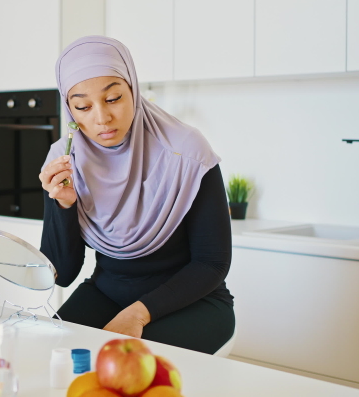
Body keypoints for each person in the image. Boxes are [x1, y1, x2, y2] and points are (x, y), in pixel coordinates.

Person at [38, 35, 235, 354]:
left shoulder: (186, 152)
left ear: (133, 88)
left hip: (193, 302)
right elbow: (62, 274)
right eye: (83, 107)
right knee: (52, 355)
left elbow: (211, 263)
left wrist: (138, 314)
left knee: (124, 367)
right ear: (70, 109)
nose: (102, 118)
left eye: (113, 98)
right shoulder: (65, 160)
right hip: (106, 294)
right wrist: (64, 204)